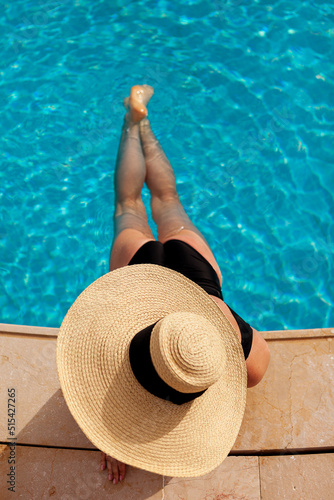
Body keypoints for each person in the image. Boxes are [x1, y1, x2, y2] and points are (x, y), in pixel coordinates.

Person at [56, 85, 270, 486]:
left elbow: (258, 353)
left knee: (159, 202)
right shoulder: (242, 369)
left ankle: (139, 118)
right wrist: (113, 431)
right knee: (138, 206)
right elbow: (97, 355)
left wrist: (112, 430)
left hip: (197, 283)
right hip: (146, 273)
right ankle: (135, 119)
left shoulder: (250, 367)